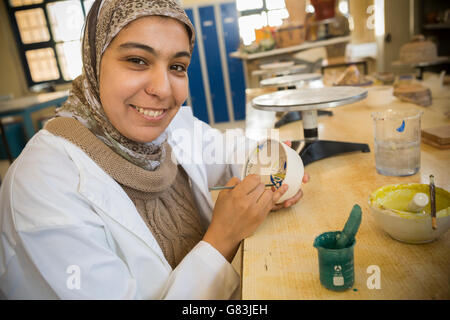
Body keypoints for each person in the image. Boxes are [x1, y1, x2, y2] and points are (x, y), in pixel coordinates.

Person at [0, 0, 308, 299]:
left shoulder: (169, 129)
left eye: (177, 66)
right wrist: (223, 238)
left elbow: (228, 149)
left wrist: (273, 166)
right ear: (94, 60)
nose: (161, 89)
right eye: (137, 60)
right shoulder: (41, 185)